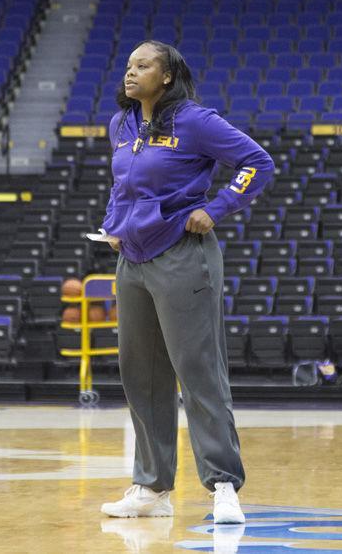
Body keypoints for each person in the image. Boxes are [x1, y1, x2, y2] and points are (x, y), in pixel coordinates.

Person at [99, 40, 274, 524]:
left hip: (182, 256)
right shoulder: (121, 124)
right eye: (129, 66)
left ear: (168, 75)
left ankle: (223, 486)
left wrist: (215, 209)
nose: (131, 73)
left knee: (198, 372)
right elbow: (123, 185)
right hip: (132, 261)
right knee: (142, 376)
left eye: (143, 65)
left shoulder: (196, 121)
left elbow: (258, 164)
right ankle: (153, 487)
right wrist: (114, 223)